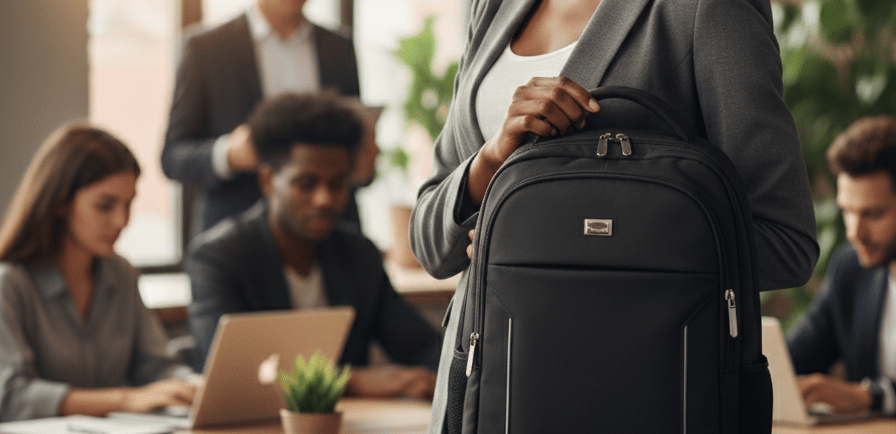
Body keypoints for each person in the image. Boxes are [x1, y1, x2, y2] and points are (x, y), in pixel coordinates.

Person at [408, 0, 820, 431]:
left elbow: (786, 240)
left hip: (639, 393)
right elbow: (432, 246)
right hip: (482, 397)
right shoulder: (489, 7)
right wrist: (490, 159)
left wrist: (561, 238)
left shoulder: (707, 8)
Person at [186, 92, 441, 399]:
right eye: (306, 183)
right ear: (268, 180)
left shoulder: (358, 254)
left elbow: (423, 346)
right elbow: (235, 373)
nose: (324, 199)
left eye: (337, 184)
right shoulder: (219, 257)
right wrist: (351, 381)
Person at [0, 124, 197, 421]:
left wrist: (193, 385)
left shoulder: (121, 274)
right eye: (105, 206)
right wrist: (123, 399)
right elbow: (11, 396)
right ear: (60, 204)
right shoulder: (10, 284)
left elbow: (156, 367)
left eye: (129, 205)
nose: (121, 221)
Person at [161, 0, 361, 239]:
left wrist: (362, 161)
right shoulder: (206, 47)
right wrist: (228, 154)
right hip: (235, 238)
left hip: (329, 233)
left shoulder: (339, 45)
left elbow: (354, 149)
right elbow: (173, 157)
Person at [787, 115, 896, 417]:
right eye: (847, 211)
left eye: (872, 214)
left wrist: (869, 396)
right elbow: (793, 358)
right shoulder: (851, 269)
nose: (853, 232)